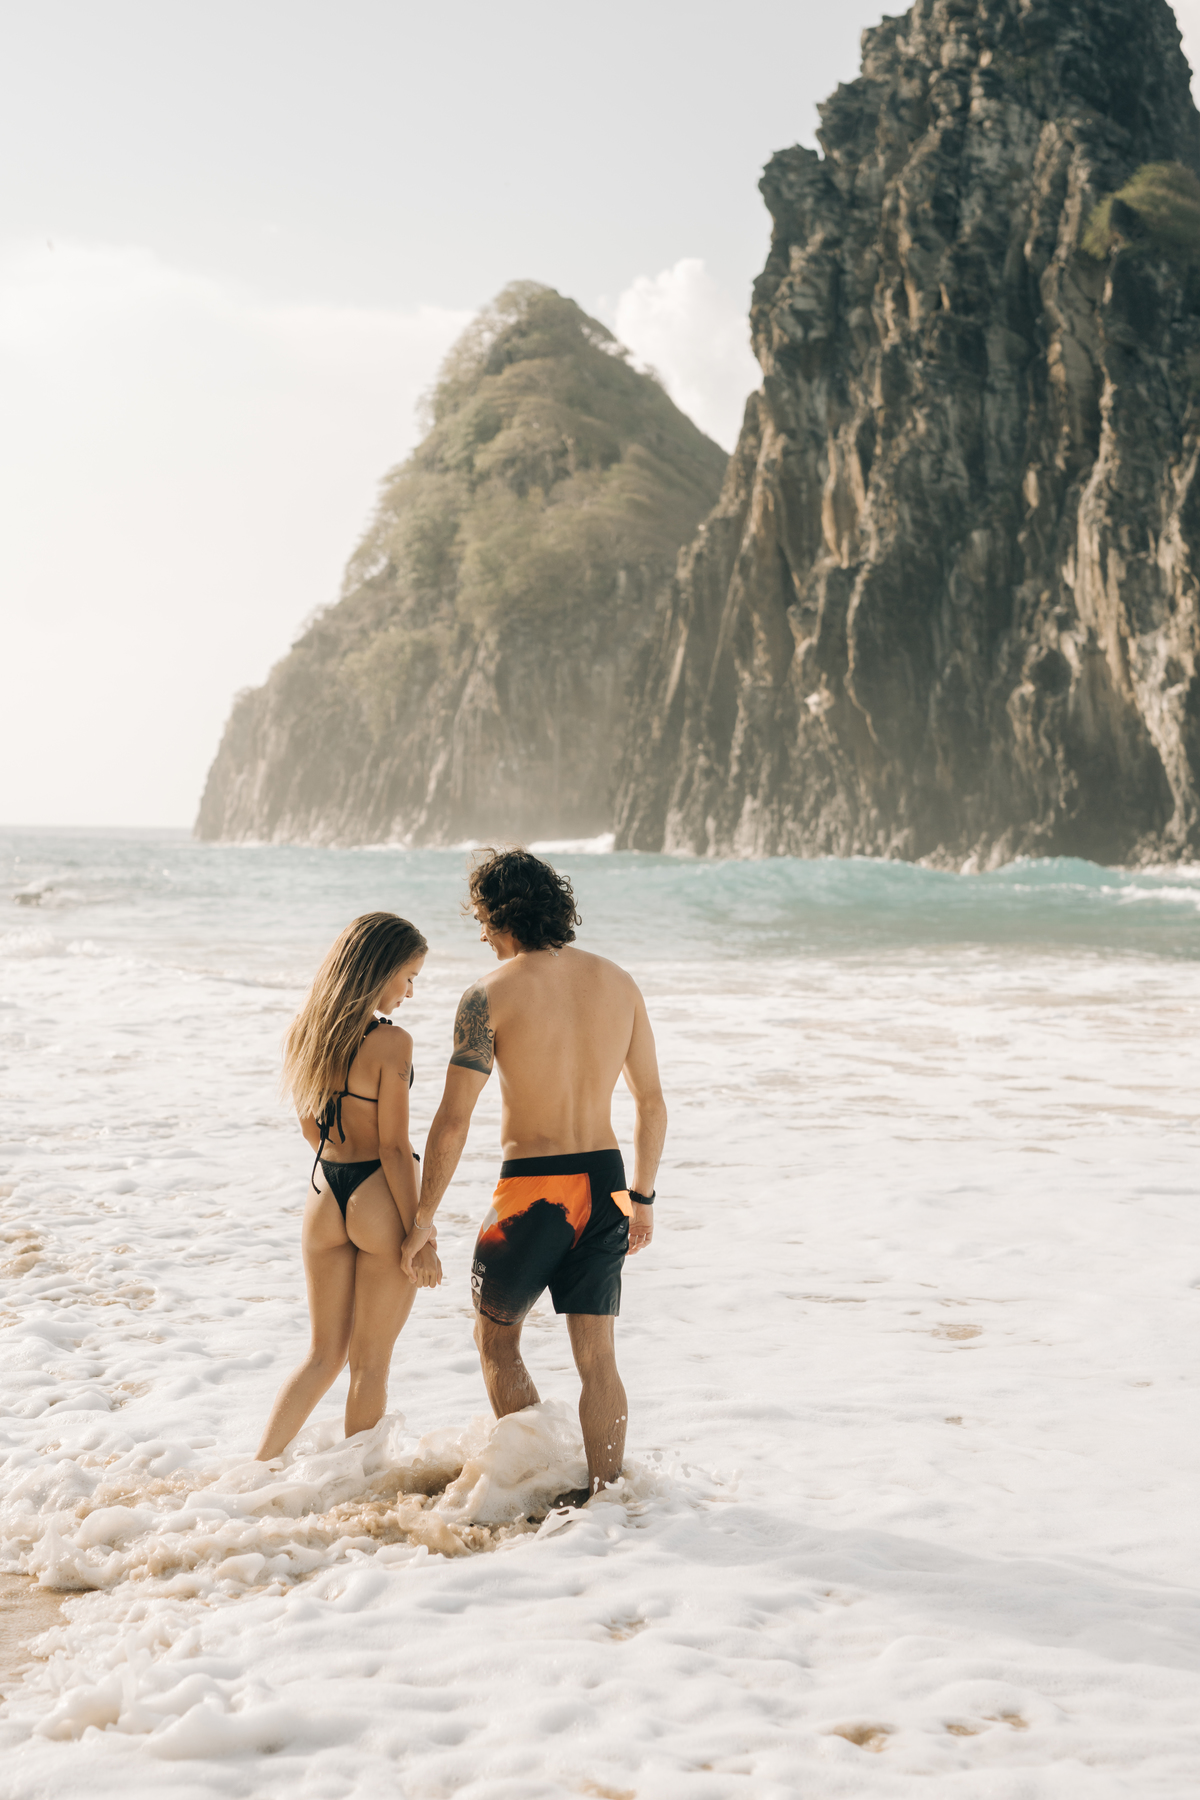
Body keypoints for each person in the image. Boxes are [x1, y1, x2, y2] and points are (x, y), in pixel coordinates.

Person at [400, 849, 666, 1500]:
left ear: (500, 915)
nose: (482, 937)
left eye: (482, 922)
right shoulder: (619, 983)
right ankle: (607, 1501)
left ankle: (533, 1482)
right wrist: (643, 1197)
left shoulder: (487, 996)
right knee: (598, 1358)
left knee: (496, 1340)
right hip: (606, 1184)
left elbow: (453, 1120)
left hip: (534, 1191)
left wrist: (423, 1218)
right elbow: (652, 1103)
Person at [256, 912, 442, 1460]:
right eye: (408, 977)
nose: (410, 992)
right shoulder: (393, 1043)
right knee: (369, 1363)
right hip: (377, 1195)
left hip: (324, 1192)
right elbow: (393, 1148)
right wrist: (421, 1232)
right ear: (382, 969)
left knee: (322, 1357)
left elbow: (310, 1129)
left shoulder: (306, 1033)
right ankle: (359, 1488)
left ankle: (255, 1473)